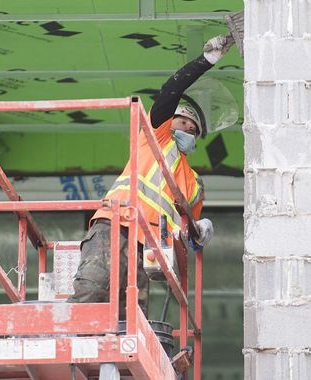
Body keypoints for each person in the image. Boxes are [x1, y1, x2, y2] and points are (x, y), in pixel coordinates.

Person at [67, 35, 233, 319]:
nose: (187, 130)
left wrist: (200, 233)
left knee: (130, 319)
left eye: (193, 129)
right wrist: (205, 61)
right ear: (170, 125)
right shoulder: (156, 139)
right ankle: (68, 344)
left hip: (148, 249)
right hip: (117, 224)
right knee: (92, 292)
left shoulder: (193, 183)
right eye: (182, 123)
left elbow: (187, 231)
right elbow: (170, 92)